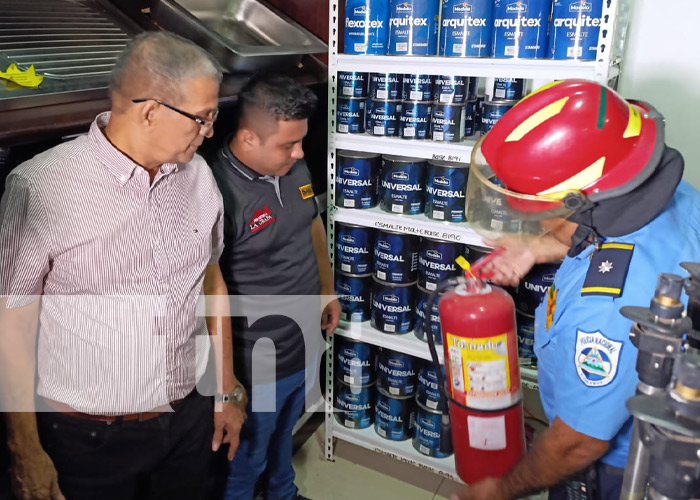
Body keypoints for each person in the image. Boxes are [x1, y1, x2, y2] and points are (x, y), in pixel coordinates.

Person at [0, 32, 247, 500]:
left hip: (186, 421)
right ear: (150, 111)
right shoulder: (40, 187)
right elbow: (10, 325)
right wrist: (24, 450)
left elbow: (210, 279)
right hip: (87, 440)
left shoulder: (199, 178)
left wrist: (226, 388)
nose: (210, 130)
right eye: (202, 117)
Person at [453, 80, 700, 500]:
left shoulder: (609, 309)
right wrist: (538, 248)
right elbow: (608, 237)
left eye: (541, 211)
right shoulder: (663, 193)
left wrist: (503, 488)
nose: (538, 220)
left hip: (619, 473)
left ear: (576, 201)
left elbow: (578, 443)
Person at [208, 74, 340, 500]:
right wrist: (226, 382)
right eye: (288, 144)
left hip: (303, 342)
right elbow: (209, 287)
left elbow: (311, 223)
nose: (301, 152)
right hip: (257, 360)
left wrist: (326, 287)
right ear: (248, 138)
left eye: (300, 141)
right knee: (245, 460)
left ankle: (283, 493)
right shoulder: (216, 194)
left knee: (285, 432)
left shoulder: (292, 165)